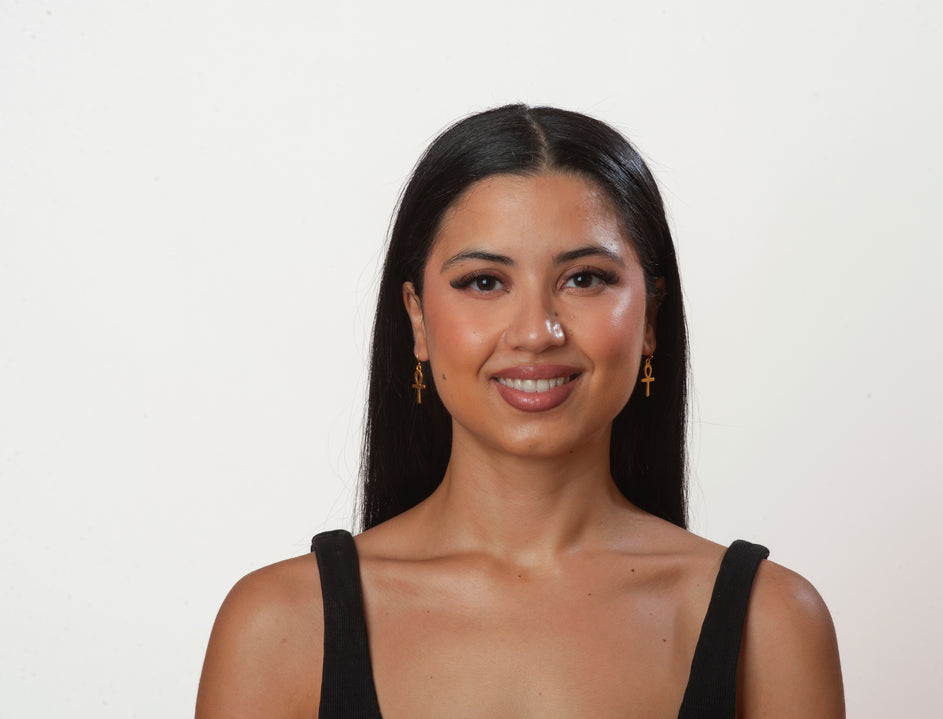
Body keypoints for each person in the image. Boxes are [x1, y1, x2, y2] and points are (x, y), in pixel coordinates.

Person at [194, 104, 845, 719]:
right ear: (417, 317)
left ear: (651, 316)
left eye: (584, 278)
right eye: (485, 281)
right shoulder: (277, 625)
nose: (536, 331)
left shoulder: (771, 624)